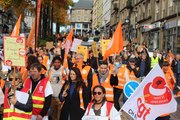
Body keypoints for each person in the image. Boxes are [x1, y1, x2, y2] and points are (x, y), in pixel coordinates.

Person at [47, 55, 67, 120]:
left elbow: (67, 82)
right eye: (55, 62)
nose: (57, 64)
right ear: (53, 63)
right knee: (51, 115)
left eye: (58, 62)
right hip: (51, 97)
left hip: (59, 97)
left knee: (59, 115)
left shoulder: (64, 70)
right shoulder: (50, 70)